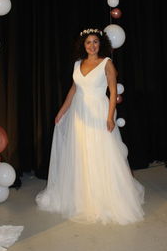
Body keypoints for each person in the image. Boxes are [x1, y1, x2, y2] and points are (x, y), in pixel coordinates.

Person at [36, 28, 144, 225]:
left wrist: (110, 117)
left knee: (100, 153)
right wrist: (62, 111)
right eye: (88, 42)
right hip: (78, 114)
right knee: (81, 153)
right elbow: (74, 89)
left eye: (95, 42)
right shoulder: (78, 64)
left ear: (100, 44)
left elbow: (112, 92)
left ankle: (103, 197)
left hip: (98, 112)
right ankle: (82, 196)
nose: (92, 45)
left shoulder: (106, 63)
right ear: (83, 45)